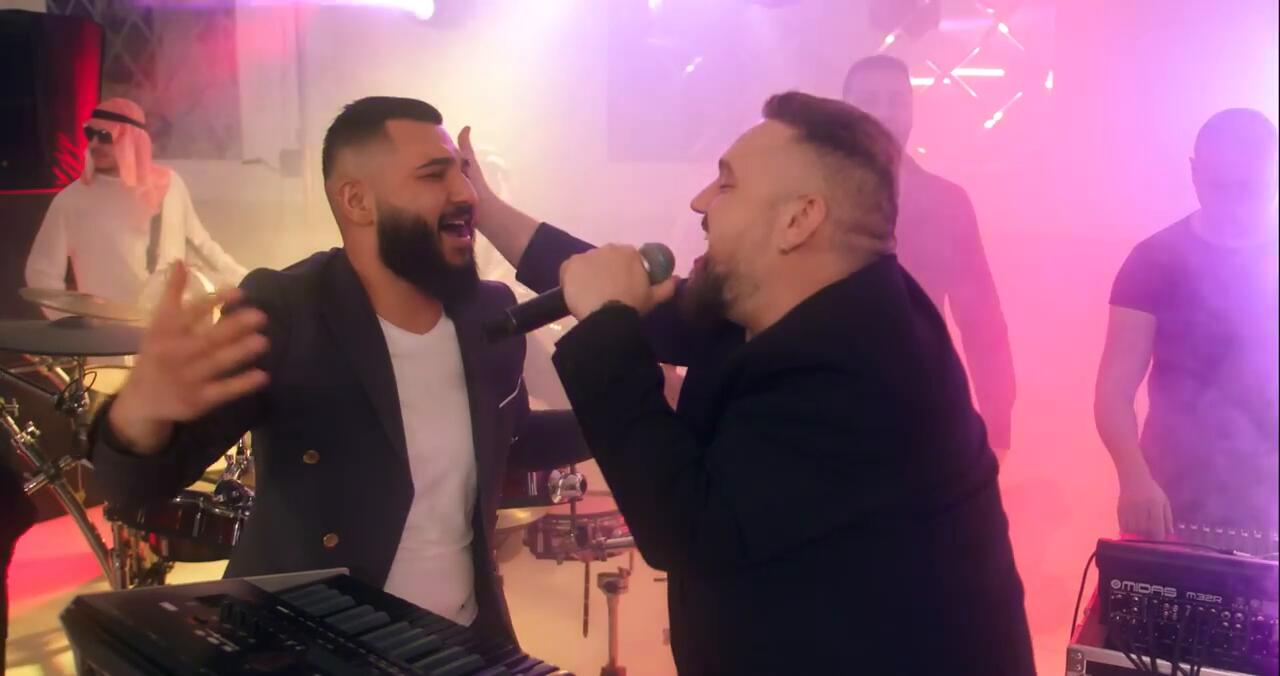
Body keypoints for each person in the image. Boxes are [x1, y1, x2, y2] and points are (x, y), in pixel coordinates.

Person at [465, 92, 1034, 674]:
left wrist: (608, 326)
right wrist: (485, 210)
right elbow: (630, 295)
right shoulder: (792, 305)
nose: (700, 202)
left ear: (798, 219)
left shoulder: (865, 365)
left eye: (727, 184)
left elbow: (688, 528)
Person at [88, 96, 588, 639]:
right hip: (315, 640)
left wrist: (626, 412)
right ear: (357, 201)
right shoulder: (287, 310)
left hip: (464, 640)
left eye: (463, 173)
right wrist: (138, 416)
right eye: (433, 175)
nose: (467, 194)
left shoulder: (488, 311)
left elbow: (508, 437)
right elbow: (135, 485)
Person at [1096, 108, 1279, 541]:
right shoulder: (1152, 261)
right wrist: (1134, 478)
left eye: (1249, 189)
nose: (1234, 204)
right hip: (1170, 493)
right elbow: (1114, 390)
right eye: (1220, 187)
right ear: (1195, 173)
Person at [841, 55, 1017, 454]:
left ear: (911, 112)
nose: (884, 113)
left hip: (918, 400)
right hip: (825, 402)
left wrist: (997, 426)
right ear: (844, 110)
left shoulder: (946, 201)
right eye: (869, 100)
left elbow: (982, 320)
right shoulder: (807, 196)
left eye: (896, 101)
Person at [24, 98, 247, 313]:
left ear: (132, 140)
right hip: (105, 332)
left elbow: (203, 246)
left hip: (165, 326)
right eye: (90, 134)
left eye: (105, 136)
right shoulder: (72, 199)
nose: (93, 144)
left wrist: (249, 281)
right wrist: (71, 322)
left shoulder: (170, 185)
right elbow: (41, 272)